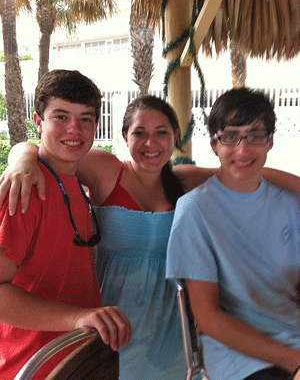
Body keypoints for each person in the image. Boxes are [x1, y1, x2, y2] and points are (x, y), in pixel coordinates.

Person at [1, 95, 300, 380]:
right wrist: (21, 160)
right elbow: (46, 152)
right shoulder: (105, 171)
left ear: (176, 137)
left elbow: (247, 170)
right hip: (109, 320)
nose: (150, 143)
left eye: (161, 132)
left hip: (168, 326)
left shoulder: (184, 180)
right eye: (139, 133)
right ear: (125, 137)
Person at [0, 69, 131, 380]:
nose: (75, 129)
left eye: (85, 118)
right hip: (31, 367)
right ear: (38, 121)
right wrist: (77, 317)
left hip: (76, 363)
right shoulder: (25, 189)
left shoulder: (72, 181)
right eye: (61, 116)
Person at [166, 87, 300, 380]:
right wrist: (294, 361)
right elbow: (207, 317)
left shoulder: (290, 202)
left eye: (254, 136)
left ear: (270, 142)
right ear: (214, 144)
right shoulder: (194, 210)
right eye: (230, 137)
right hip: (239, 356)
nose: (242, 150)